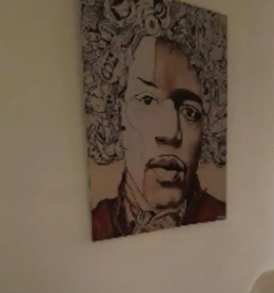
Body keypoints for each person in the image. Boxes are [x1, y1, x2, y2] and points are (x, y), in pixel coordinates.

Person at [82, 0, 227, 241]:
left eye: (190, 112)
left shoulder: (220, 219)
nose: (171, 133)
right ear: (115, 114)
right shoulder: (98, 225)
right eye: (147, 100)